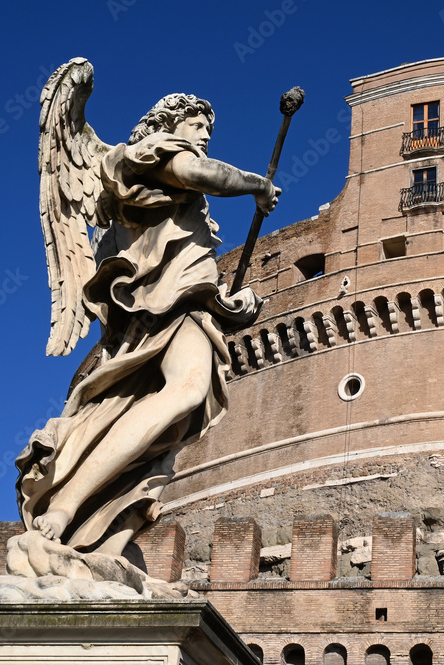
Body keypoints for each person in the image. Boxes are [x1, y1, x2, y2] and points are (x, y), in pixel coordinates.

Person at [16, 93, 280, 558]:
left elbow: (192, 271)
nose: (203, 138)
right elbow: (201, 174)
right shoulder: (145, 159)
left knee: (167, 436)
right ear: (172, 123)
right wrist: (256, 185)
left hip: (183, 309)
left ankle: (104, 542)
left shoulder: (176, 199)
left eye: (206, 132)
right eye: (199, 127)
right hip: (163, 310)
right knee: (188, 390)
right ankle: (66, 504)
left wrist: (234, 305)